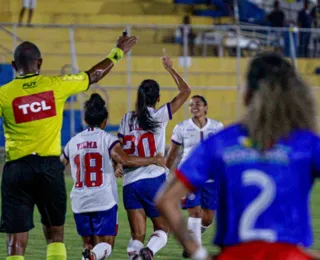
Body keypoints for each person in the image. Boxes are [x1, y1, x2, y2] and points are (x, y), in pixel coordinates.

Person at [156, 52, 320, 260]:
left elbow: (166, 200)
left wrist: (198, 254)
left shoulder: (221, 142)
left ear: (248, 94)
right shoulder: (307, 144)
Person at [0, 34, 137, 260]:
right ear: (40, 63)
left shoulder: (4, 95)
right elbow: (93, 75)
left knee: (16, 241)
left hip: (17, 169)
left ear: (14, 66)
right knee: (55, 234)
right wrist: (117, 52)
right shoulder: (56, 86)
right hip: (49, 168)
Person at [61, 93, 165, 260]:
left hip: (79, 201)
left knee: (88, 244)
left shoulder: (73, 142)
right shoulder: (108, 140)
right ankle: (94, 254)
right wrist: (154, 159)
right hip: (103, 199)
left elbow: (59, 166)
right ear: (105, 121)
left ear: (86, 120)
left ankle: (90, 254)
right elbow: (125, 159)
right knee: (107, 245)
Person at [117, 49, 191, 260]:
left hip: (130, 183)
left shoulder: (127, 118)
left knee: (136, 235)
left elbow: (120, 148)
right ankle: (149, 253)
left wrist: (118, 165)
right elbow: (186, 91)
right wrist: (170, 69)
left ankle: (139, 254)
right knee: (162, 230)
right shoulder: (159, 115)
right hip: (152, 179)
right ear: (157, 97)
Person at [166, 95, 223, 258]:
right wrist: (166, 172)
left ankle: (192, 240)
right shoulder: (181, 127)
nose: (194, 107)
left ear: (206, 107)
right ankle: (194, 249)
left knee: (207, 219)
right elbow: (172, 154)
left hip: (211, 179)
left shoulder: (217, 127)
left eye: (198, 104)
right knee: (195, 212)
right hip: (189, 177)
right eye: (191, 105)